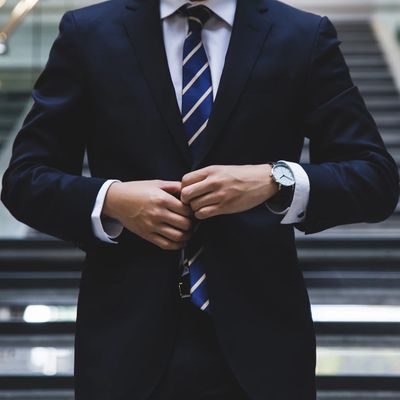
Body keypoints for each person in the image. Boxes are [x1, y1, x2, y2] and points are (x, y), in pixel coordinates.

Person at [1, 0, 399, 398]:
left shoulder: (302, 35)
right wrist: (111, 199)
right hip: (124, 344)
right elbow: (24, 179)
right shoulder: (87, 32)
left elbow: (375, 178)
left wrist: (277, 179)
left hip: (263, 349)